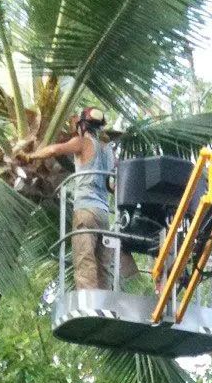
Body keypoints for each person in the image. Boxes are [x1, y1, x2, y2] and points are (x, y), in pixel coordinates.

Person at [29, 106, 140, 292]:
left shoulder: (82, 142)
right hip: (103, 214)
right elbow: (111, 185)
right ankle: (105, 303)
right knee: (103, 265)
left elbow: (56, 149)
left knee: (85, 260)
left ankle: (87, 305)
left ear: (82, 126)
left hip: (86, 210)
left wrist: (30, 155)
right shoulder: (107, 151)